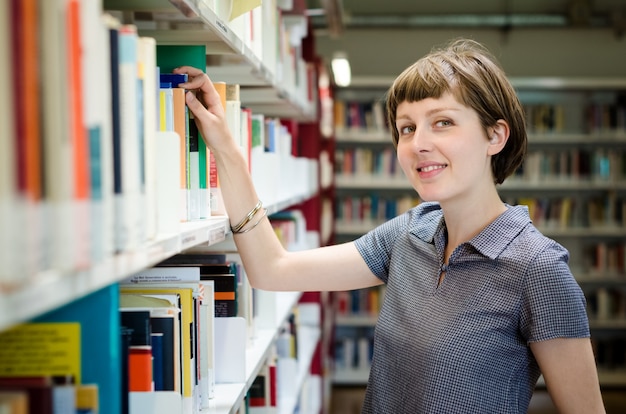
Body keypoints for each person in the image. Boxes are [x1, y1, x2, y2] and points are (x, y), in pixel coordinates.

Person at [173, 38, 605, 413]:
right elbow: (272, 270)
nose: (418, 144)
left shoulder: (537, 269)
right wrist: (225, 147)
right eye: (406, 128)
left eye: (443, 122)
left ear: (495, 136)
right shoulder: (409, 234)